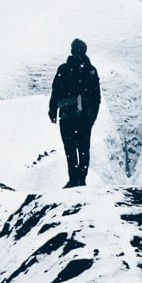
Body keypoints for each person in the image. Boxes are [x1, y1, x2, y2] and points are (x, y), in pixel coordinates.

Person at [47, 39, 101, 187]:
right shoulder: (90, 70)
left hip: (67, 116)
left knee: (70, 149)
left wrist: (52, 111)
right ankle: (81, 179)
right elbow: (97, 97)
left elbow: (55, 92)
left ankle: (74, 179)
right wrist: (92, 117)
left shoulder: (64, 69)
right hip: (83, 117)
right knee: (83, 148)